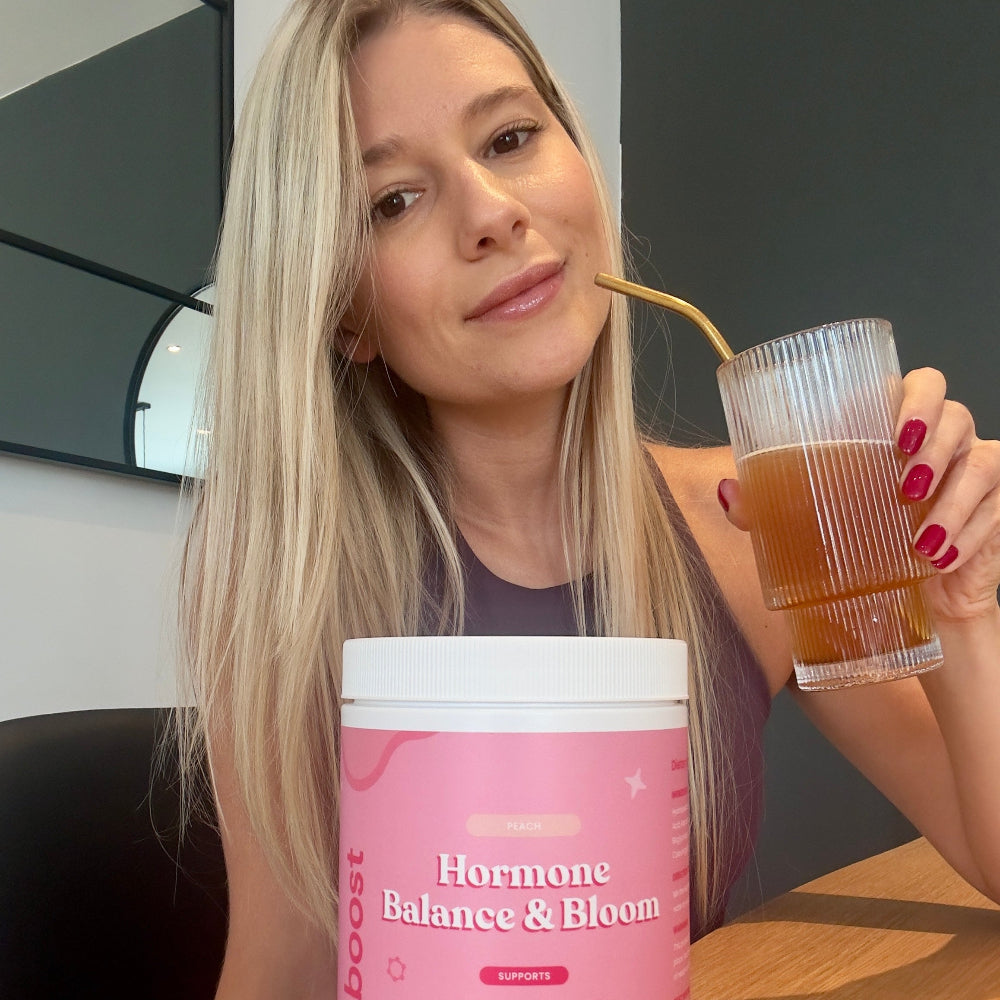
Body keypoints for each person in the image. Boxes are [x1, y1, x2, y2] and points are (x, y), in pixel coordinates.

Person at [177, 0, 1000, 995]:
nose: (491, 213)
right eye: (394, 199)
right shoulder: (291, 583)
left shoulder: (747, 529)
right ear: (343, 310)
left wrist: (957, 606)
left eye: (511, 137)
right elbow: (281, 970)